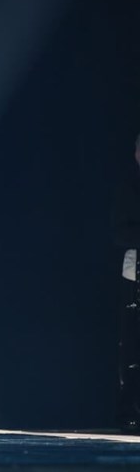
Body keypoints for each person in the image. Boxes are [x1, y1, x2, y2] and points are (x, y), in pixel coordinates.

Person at [112, 132, 140, 433]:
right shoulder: (128, 188)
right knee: (133, 345)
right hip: (135, 273)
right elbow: (119, 233)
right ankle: (129, 409)